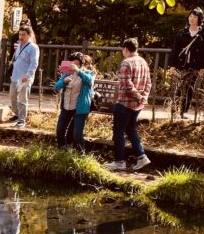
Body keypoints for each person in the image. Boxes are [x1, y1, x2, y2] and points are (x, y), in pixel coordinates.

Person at [106, 38, 152, 171]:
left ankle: (119, 161)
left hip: (125, 103)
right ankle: (142, 157)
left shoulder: (126, 62)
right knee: (131, 130)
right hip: (138, 105)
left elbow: (126, 85)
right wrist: (143, 98)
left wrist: (138, 97)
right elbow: (149, 82)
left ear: (126, 49)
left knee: (118, 131)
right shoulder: (143, 61)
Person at [168, 8, 204, 118]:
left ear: (200, 19)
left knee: (189, 89)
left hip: (194, 65)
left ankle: (183, 112)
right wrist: (172, 65)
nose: (192, 18)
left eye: (195, 17)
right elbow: (175, 49)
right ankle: (175, 111)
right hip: (181, 64)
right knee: (178, 87)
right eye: (190, 16)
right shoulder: (182, 32)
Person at [53, 52, 95, 152]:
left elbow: (90, 81)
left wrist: (78, 71)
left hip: (79, 108)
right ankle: (62, 151)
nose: (72, 64)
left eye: (75, 62)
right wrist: (64, 81)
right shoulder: (67, 73)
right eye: (71, 61)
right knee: (60, 131)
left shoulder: (88, 73)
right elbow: (56, 86)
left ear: (80, 63)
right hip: (67, 106)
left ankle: (81, 154)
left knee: (77, 134)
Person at [8, 24, 39, 127]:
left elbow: (34, 63)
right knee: (12, 96)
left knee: (22, 98)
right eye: (20, 34)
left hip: (25, 77)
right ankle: (17, 114)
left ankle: (22, 120)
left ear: (29, 35)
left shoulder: (33, 47)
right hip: (15, 75)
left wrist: (28, 75)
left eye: (23, 34)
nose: (21, 37)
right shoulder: (19, 45)